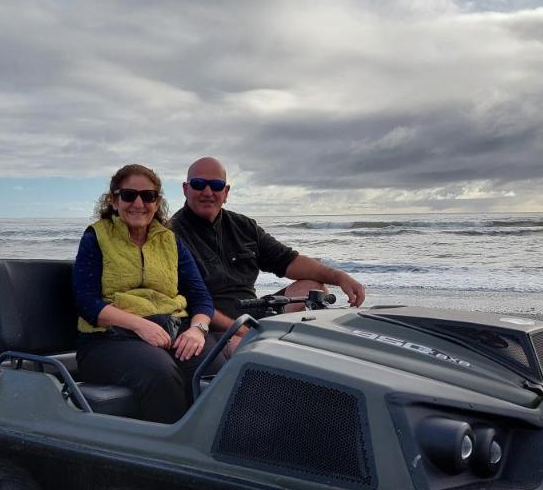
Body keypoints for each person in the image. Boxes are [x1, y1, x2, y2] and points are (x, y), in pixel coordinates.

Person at [73, 163, 222, 424]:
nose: (139, 203)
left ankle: (218, 447)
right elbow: (86, 302)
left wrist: (197, 330)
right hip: (108, 341)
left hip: (170, 331)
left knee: (215, 366)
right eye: (129, 195)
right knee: (160, 372)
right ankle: (170, 451)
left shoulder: (170, 240)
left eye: (148, 196)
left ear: (157, 202)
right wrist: (140, 325)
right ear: (114, 200)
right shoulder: (96, 237)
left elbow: (200, 296)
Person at [168, 156, 366, 343]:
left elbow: (288, 260)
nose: (208, 192)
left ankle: (302, 349)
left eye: (216, 186)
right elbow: (192, 300)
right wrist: (242, 332)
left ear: (226, 192)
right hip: (209, 325)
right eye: (199, 184)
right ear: (186, 189)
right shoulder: (170, 235)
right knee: (244, 348)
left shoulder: (244, 226)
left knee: (314, 288)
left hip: (253, 314)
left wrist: (339, 277)